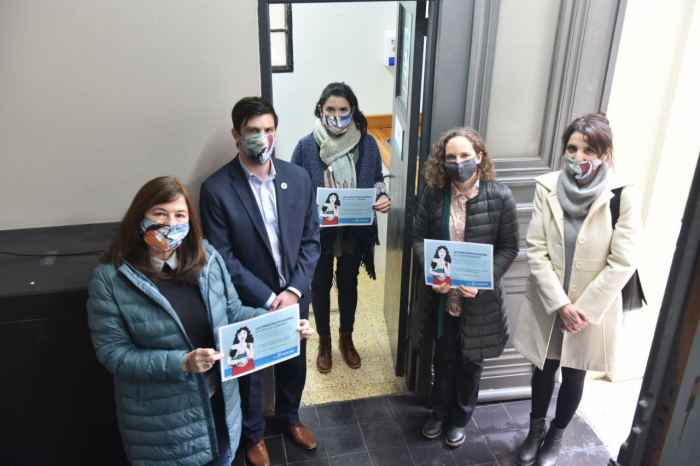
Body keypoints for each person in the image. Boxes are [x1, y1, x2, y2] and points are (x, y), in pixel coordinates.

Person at [86, 176, 314, 466]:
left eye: (180, 215)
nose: (170, 224)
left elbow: (233, 313)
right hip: (164, 419)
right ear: (139, 217)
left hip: (219, 400)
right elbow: (113, 355)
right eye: (160, 213)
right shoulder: (111, 278)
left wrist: (283, 325)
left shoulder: (207, 259)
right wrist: (182, 363)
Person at [511, 113, 643, 466]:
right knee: (543, 369)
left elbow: (623, 261)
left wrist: (581, 309)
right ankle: (534, 431)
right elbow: (536, 248)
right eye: (572, 148)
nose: (579, 157)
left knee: (574, 372)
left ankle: (555, 437)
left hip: (590, 310)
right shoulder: (547, 186)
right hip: (550, 303)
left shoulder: (622, 195)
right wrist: (560, 305)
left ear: (605, 152)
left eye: (589, 150)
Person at [200, 97, 321, 466]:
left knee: (293, 362)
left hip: (296, 294)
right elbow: (222, 258)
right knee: (250, 371)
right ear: (237, 135)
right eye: (253, 131)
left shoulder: (297, 177)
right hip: (250, 301)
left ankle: (289, 418)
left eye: (269, 129)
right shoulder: (217, 188)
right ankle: (254, 436)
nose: (262, 138)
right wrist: (270, 299)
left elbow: (311, 240)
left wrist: (294, 291)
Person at [411, 127, 519, 448]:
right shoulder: (433, 194)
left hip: (478, 301)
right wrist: (435, 275)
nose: (458, 163)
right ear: (441, 162)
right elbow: (418, 239)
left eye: (465, 156)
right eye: (451, 157)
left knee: (471, 364)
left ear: (479, 158)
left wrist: (483, 282)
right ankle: (439, 412)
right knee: (442, 359)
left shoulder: (500, 196)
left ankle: (460, 419)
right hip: (442, 298)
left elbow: (509, 248)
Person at [291, 82, 391, 373]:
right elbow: (294, 189)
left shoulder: (368, 143)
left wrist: (382, 195)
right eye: (331, 109)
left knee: (348, 283)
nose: (336, 115)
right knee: (320, 286)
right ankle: (324, 341)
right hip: (319, 233)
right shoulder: (307, 145)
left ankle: (346, 338)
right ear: (321, 110)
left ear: (353, 111)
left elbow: (376, 178)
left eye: (343, 110)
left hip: (354, 229)